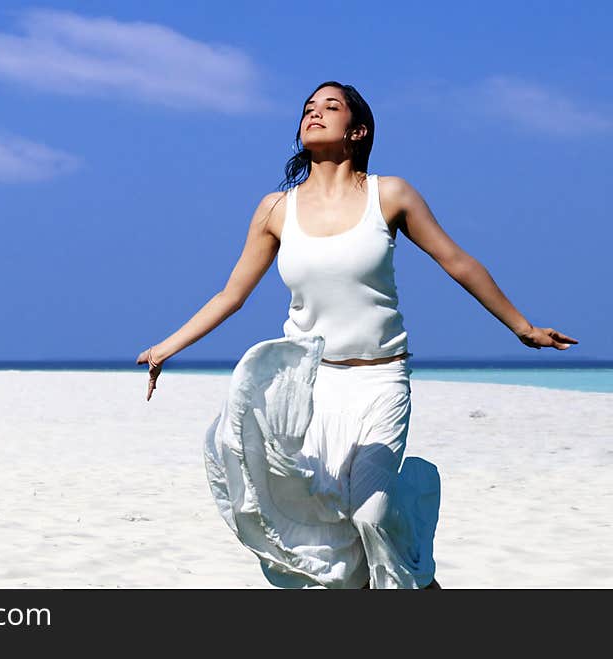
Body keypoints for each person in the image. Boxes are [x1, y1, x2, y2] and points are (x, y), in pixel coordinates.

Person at [136, 81, 578, 589]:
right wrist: (166, 348)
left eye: (330, 107)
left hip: (379, 381)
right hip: (310, 390)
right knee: (331, 533)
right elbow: (231, 294)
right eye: (308, 108)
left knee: (370, 516)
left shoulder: (389, 195)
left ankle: (416, 562)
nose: (314, 113)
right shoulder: (276, 210)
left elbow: (456, 261)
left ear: (358, 130)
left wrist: (522, 328)